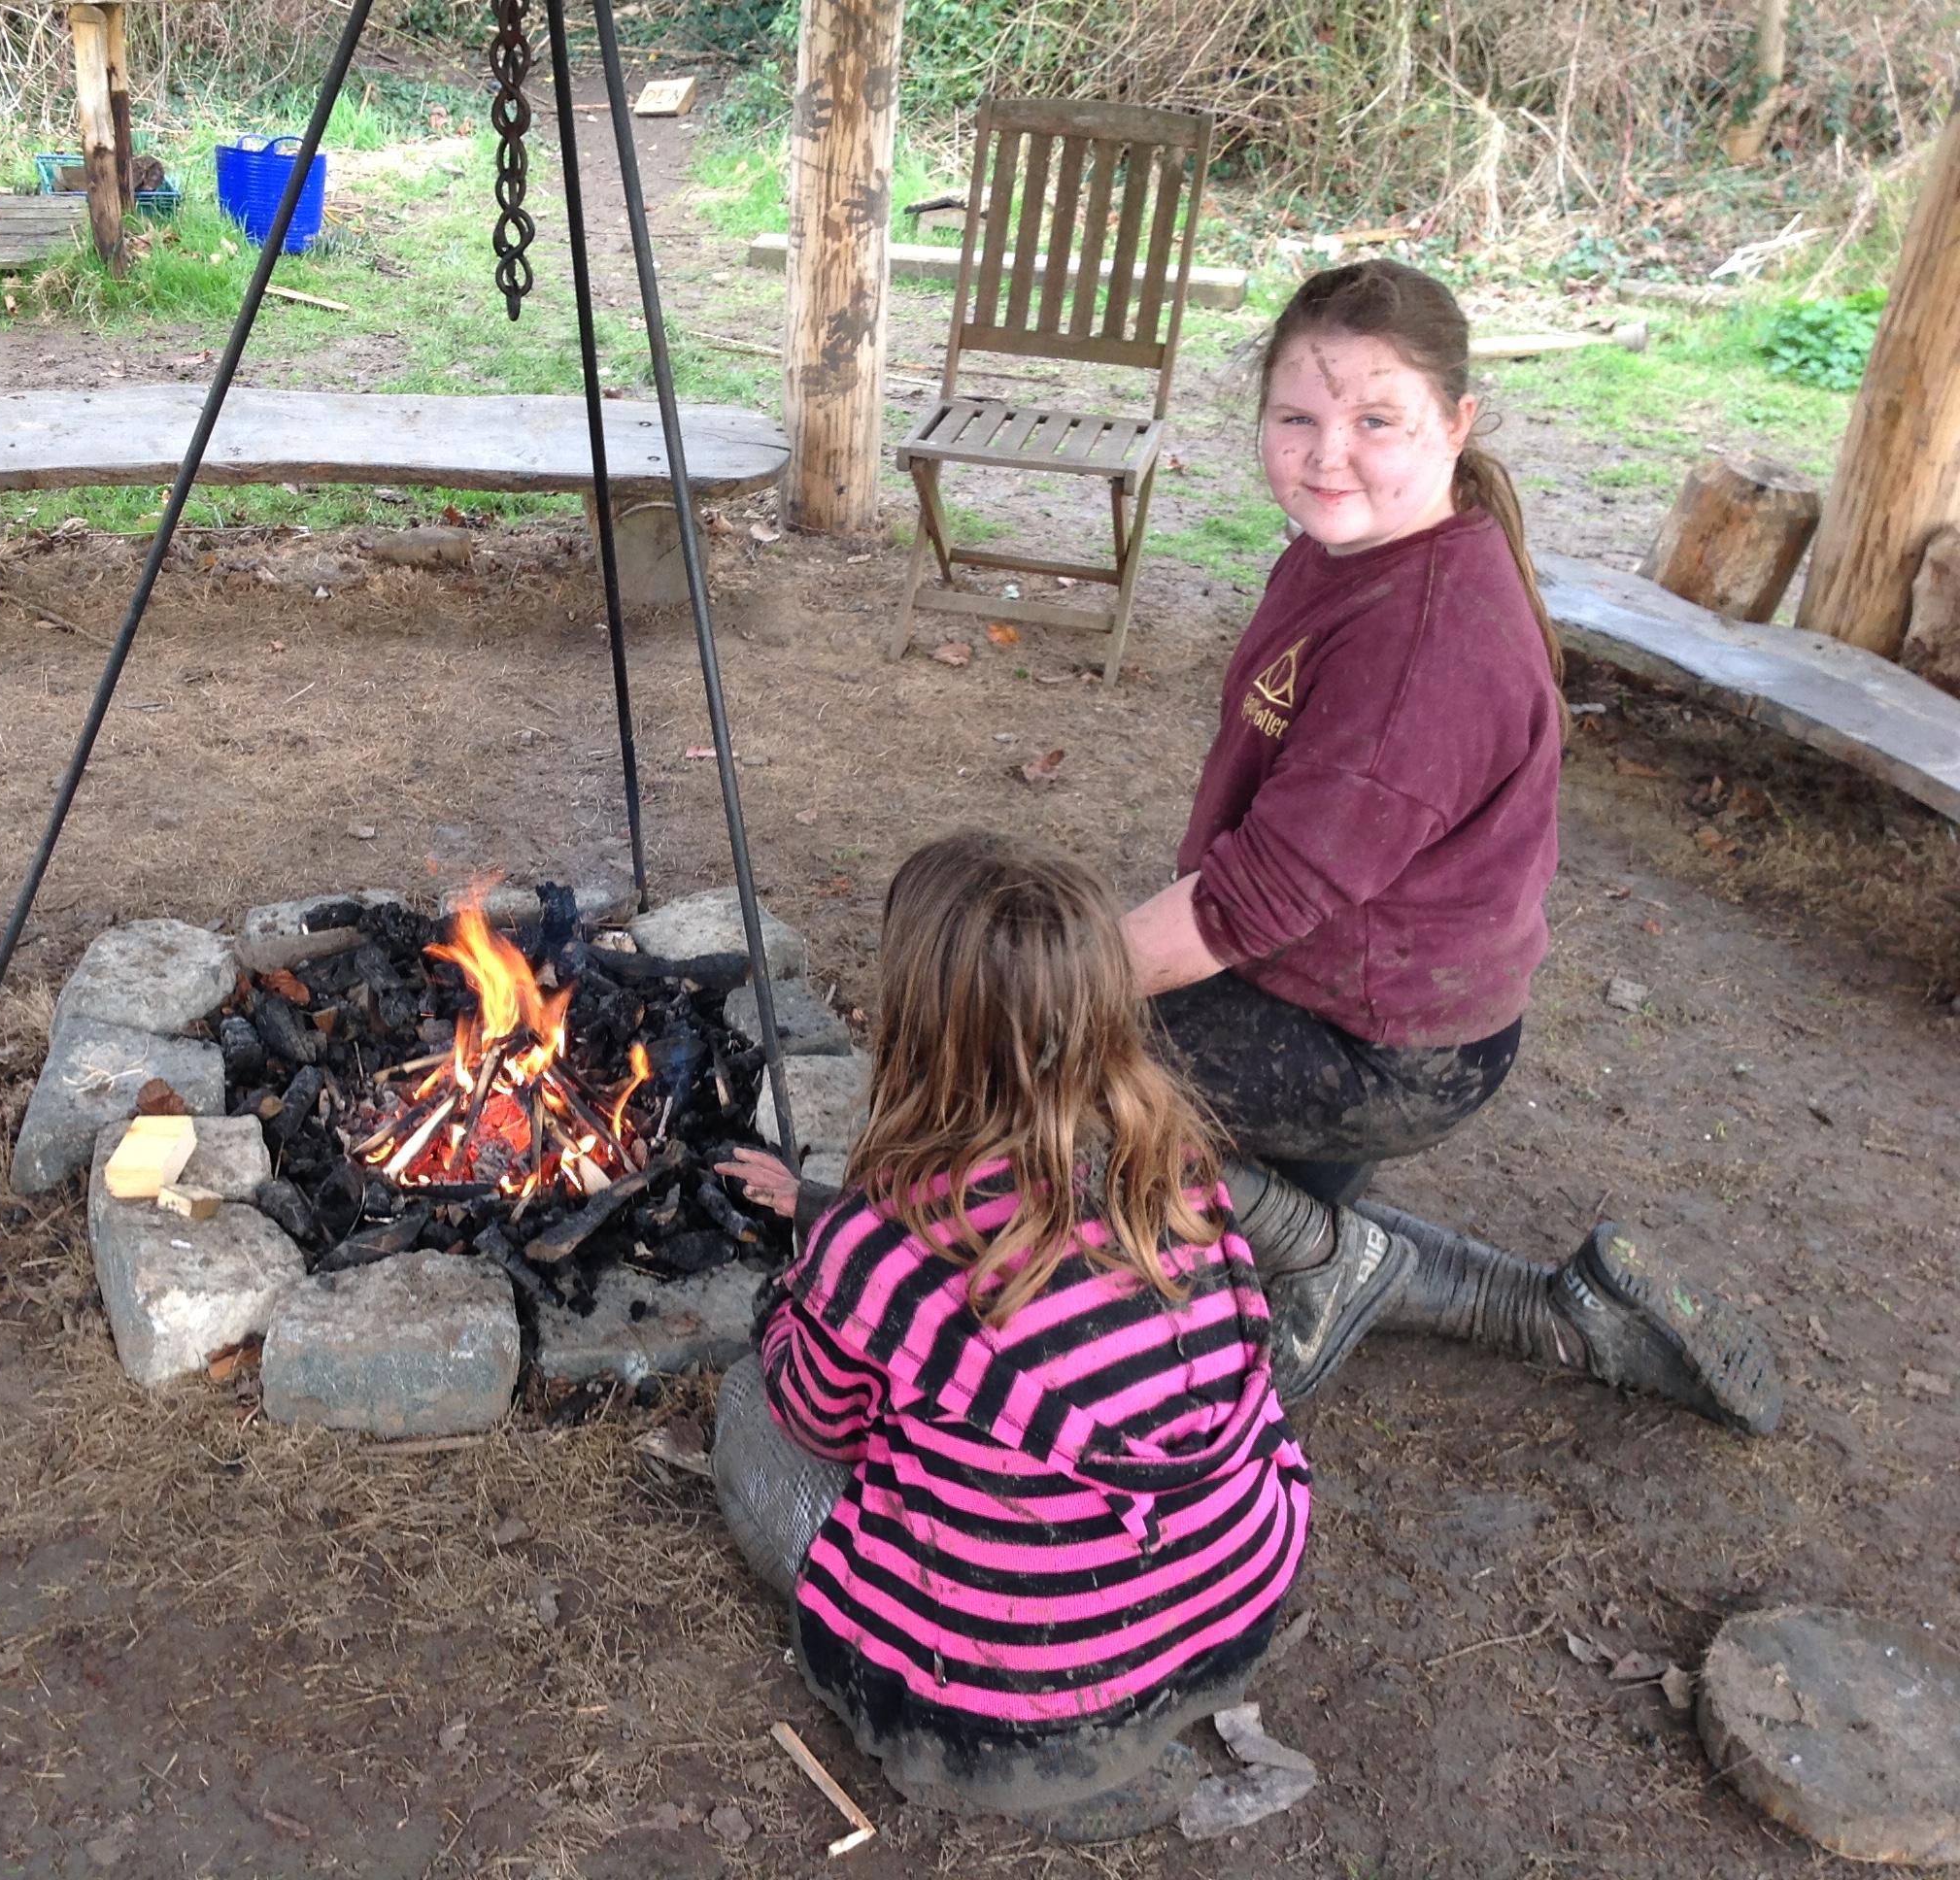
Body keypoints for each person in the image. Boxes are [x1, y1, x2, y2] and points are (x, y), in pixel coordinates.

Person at [1108, 258, 1776, 1432]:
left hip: (1385, 1048)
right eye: (1296, 420)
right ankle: (1413, 1266)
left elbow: (1247, 903)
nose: (1328, 456)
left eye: (1377, 421)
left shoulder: (1427, 645)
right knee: (1088, 1053)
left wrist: (1052, 987)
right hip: (1349, 985)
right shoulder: (1357, 547)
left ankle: (1328, 1256)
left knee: (1047, 1066)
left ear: (1457, 424)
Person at [713, 832, 1309, 1842]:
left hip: (992, 1714)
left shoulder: (883, 1243)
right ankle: (1146, 1690)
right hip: (1234, 1594)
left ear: (918, 1025)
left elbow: (816, 1422)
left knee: (746, 1406)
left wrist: (791, 1303)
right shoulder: (1175, 1169)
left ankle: (1050, 1746)